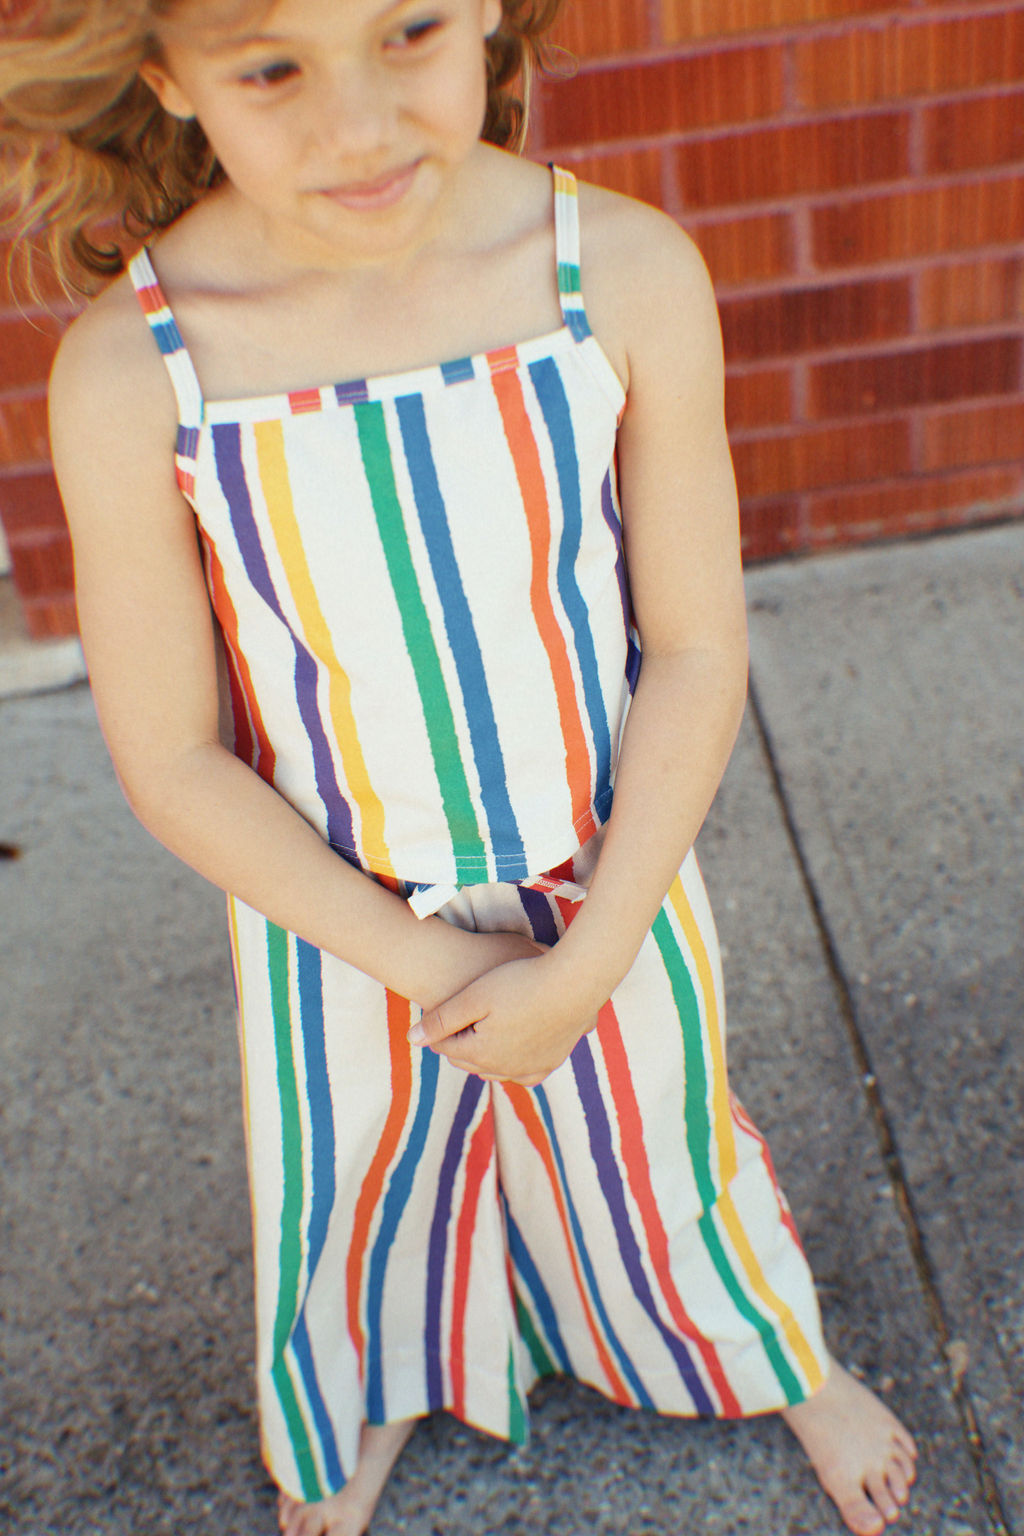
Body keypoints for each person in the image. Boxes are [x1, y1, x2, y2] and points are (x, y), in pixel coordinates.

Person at [2, 2, 918, 1533]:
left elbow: (694, 646)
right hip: (336, 914)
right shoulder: (134, 367)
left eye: (408, 28)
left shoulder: (616, 273)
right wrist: (420, 958)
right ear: (167, 74)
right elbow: (170, 753)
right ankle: (371, 1385)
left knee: (662, 1146)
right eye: (273, 68)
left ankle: (770, 1352)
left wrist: (602, 947)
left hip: (605, 867)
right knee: (360, 1185)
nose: (357, 125)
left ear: (485, 6)